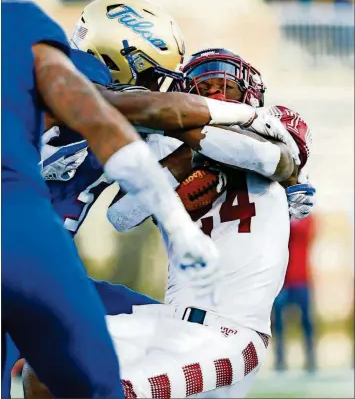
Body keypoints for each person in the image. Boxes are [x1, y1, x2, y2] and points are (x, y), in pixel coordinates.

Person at [22, 48, 315, 398]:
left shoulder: (271, 123)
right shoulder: (170, 149)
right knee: (45, 366)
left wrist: (174, 124)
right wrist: (175, 164)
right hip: (168, 320)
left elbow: (266, 157)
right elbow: (121, 216)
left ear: (248, 95)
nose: (213, 95)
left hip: (228, 334)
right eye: (201, 91)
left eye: (225, 88)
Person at [2, 0, 220, 398]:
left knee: (184, 330)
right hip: (26, 254)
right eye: (156, 76)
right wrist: (251, 120)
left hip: (49, 270)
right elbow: (144, 108)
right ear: (122, 57)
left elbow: (123, 214)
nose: (163, 88)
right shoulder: (82, 73)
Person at [273, 214, 317, 372]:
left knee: (307, 321)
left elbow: (304, 232)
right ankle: (280, 360)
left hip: (301, 278)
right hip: (282, 280)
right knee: (278, 323)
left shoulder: (307, 217)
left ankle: (311, 359)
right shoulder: (280, 216)